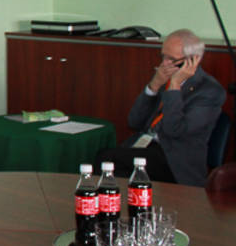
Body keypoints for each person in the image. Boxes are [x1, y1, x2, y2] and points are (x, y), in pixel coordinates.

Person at [95, 29, 224, 187]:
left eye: (172, 59)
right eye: (163, 56)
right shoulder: (164, 78)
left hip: (175, 158)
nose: (164, 64)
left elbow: (173, 130)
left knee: (109, 159)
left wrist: (175, 86)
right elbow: (134, 121)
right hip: (147, 145)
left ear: (193, 60)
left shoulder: (209, 91)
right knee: (111, 166)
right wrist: (154, 86)